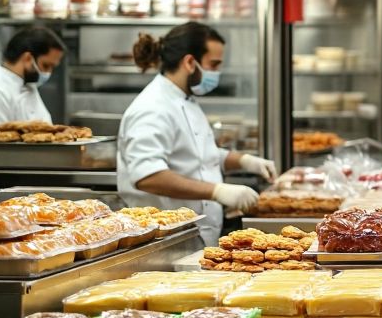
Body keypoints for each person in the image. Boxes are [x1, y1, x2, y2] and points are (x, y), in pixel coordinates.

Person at [117, 22, 277, 247]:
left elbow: (197, 155)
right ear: (190, 62)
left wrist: (244, 161)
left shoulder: (185, 100)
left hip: (194, 234)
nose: (217, 73)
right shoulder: (152, 107)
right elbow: (147, 176)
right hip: (166, 241)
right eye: (213, 64)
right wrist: (217, 191)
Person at [0, 27, 66, 124]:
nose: (48, 73)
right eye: (46, 65)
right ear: (27, 58)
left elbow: (45, 125)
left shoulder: (28, 83)